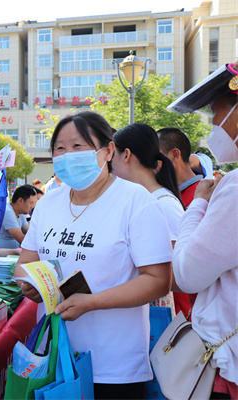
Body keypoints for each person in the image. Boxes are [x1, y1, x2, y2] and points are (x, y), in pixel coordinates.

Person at [15, 111, 172, 399]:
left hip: (114, 366)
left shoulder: (136, 201)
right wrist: (30, 284)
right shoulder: (49, 203)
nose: (67, 155)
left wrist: (92, 302)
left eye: (78, 146)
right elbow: (25, 262)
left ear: (108, 150)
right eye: (60, 148)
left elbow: (158, 280)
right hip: (55, 358)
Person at [167, 61, 238, 398]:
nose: (213, 124)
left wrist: (198, 205)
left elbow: (187, 274)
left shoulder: (234, 189)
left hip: (228, 366)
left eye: (216, 111)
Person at [111, 123, 185, 312]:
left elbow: (177, 275)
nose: (109, 168)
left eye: (112, 157)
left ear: (126, 155)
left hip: (151, 316)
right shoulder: (138, 200)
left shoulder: (164, 204)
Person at [157, 127, 202, 317]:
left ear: (174, 155)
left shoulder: (204, 197)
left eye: (156, 157)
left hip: (191, 314)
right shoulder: (164, 196)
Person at [0, 184, 39, 249]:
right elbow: (22, 240)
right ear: (20, 201)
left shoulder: (21, 213)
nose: (33, 206)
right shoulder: (7, 211)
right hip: (3, 256)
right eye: (31, 203)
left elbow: (30, 232)